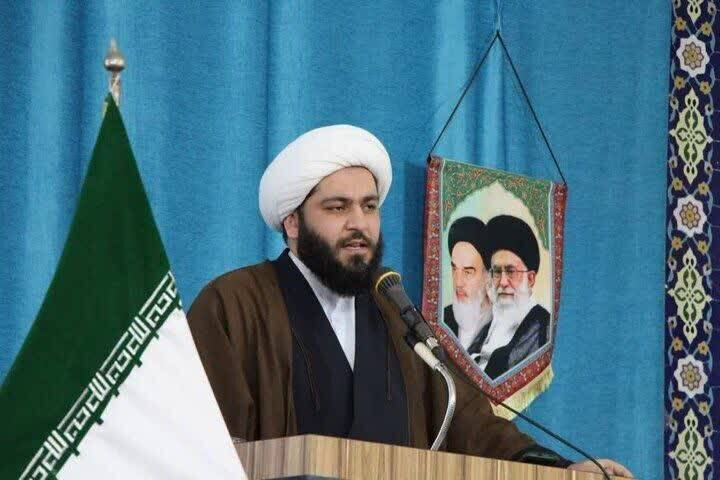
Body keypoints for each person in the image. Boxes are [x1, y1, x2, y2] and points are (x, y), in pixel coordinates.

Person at [187, 125, 633, 477]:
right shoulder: (234, 305)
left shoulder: (393, 310)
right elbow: (199, 446)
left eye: (369, 206)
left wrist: (560, 470)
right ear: (292, 222)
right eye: (338, 207)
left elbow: (469, 423)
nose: (359, 224)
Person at [471, 215, 550, 380]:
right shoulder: (488, 326)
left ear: (530, 279)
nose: (502, 282)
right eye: (497, 272)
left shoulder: (543, 326)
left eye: (511, 271)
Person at [443, 217, 493, 352]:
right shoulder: (442, 318)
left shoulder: (501, 326)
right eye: (454, 269)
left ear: (488, 276)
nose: (458, 282)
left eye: (468, 272)